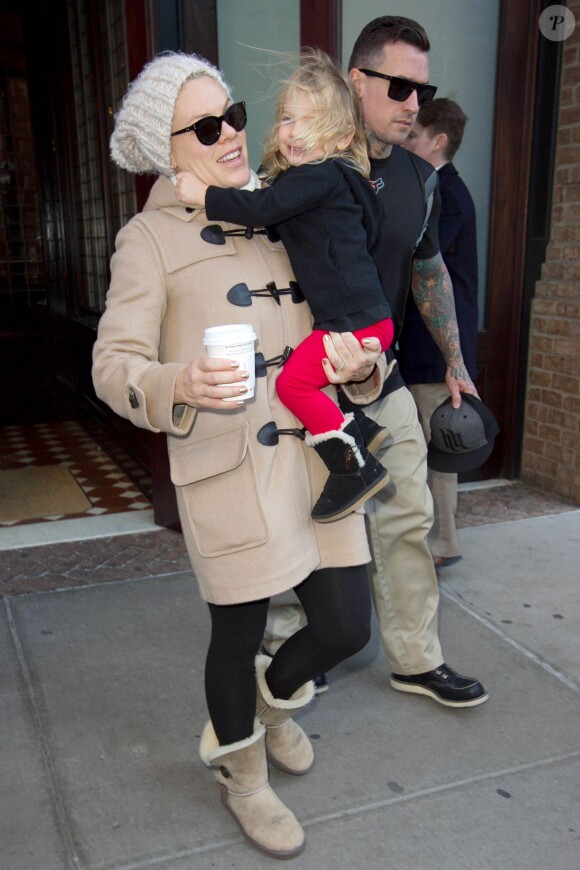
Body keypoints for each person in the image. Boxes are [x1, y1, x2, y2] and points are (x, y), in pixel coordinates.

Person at [92, 51, 386, 860]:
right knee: (239, 629)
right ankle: (241, 774)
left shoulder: (284, 199)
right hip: (231, 463)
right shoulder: (148, 239)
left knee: (344, 626)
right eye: (207, 125)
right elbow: (112, 365)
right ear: (168, 146)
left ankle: (271, 707)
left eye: (236, 113)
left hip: (317, 460)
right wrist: (177, 380)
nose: (233, 134)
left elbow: (349, 302)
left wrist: (365, 367)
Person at [265, 16, 489, 709]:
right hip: (305, 377)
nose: (412, 104)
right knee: (302, 514)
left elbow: (429, 271)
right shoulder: (298, 164)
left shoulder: (421, 179)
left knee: (406, 515)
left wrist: (454, 358)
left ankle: (415, 658)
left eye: (422, 90)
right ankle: (291, 643)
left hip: (379, 371)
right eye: (398, 86)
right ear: (356, 82)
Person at [174, 49, 393, 524]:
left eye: (310, 122)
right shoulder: (342, 182)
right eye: (288, 117)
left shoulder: (316, 177)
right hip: (367, 317)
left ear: (342, 136)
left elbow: (262, 209)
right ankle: (358, 426)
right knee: (305, 379)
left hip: (354, 322)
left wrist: (204, 195)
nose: (293, 132)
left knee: (293, 383)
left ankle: (354, 466)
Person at [399, 98, 479, 569]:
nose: (407, 141)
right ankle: (434, 538)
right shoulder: (436, 189)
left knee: (438, 445)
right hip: (426, 344)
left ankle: (443, 541)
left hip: (435, 348)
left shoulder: (447, 193)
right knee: (427, 444)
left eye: (415, 135)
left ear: (438, 140)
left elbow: (424, 262)